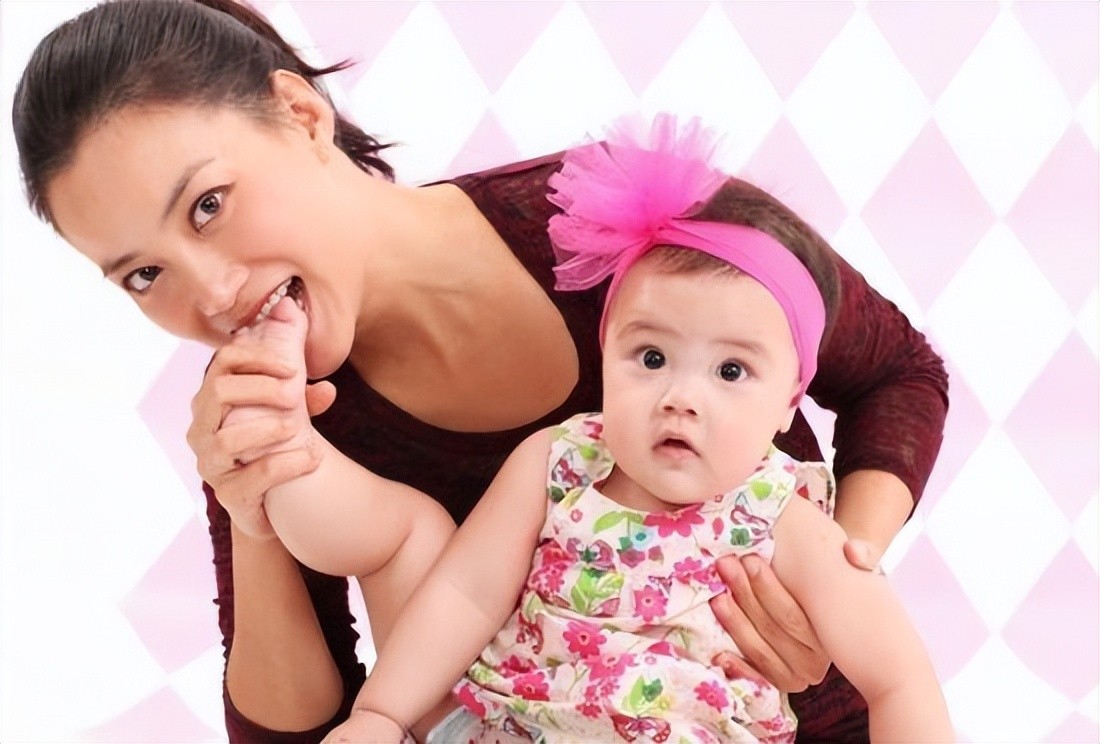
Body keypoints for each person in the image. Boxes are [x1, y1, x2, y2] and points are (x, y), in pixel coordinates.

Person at [13, 1, 949, 741]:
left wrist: (826, 583)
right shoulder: (273, 412)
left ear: (301, 114)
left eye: (209, 204)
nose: (211, 294)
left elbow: (898, 373)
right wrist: (251, 512)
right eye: (144, 275)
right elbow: (296, 731)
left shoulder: (625, 231)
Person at [318, 117, 953, 744]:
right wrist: (383, 712)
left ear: (788, 402)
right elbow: (466, 593)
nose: (681, 399)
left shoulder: (776, 513)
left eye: (730, 371)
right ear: (606, 355)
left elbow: (897, 677)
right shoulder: (558, 463)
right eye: (651, 358)